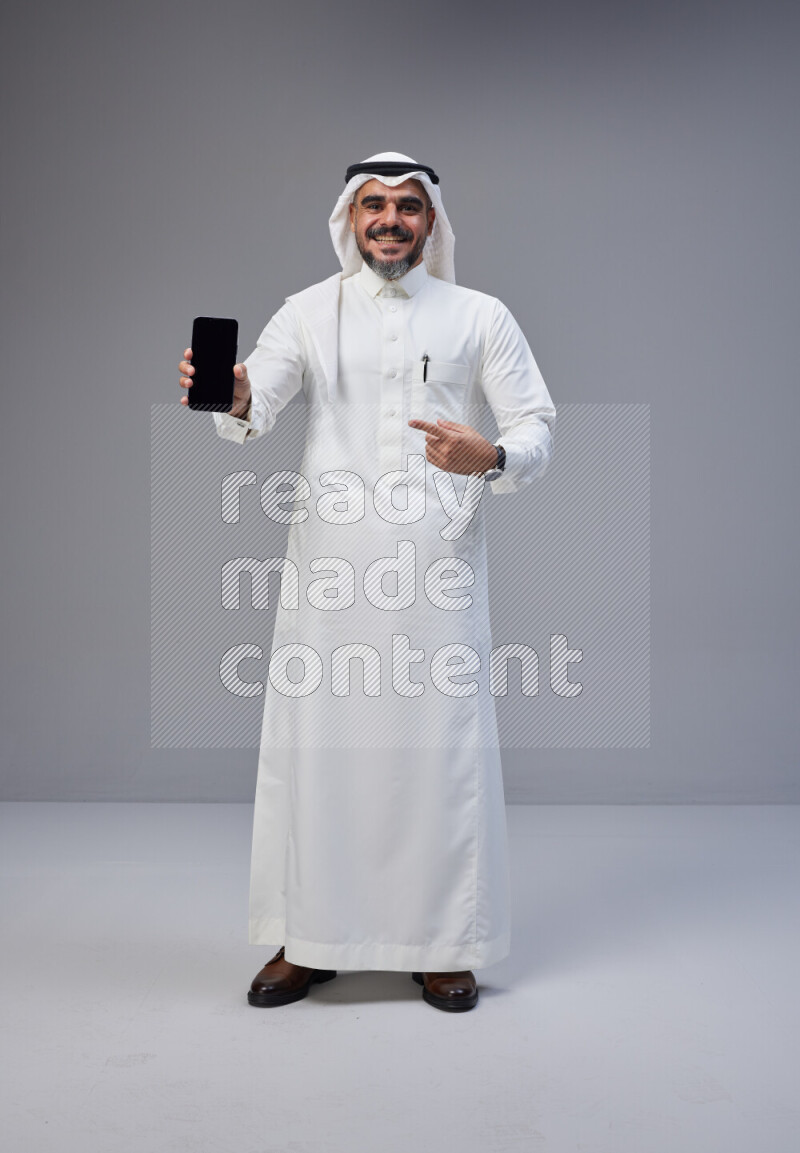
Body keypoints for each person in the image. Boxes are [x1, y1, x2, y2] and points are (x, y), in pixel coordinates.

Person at [177, 152, 556, 1012]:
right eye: (374, 205)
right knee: (321, 753)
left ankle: (442, 943)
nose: (390, 220)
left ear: (432, 223)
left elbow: (536, 422)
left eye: (408, 207)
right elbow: (257, 403)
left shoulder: (479, 315)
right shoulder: (308, 312)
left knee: (437, 755)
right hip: (333, 574)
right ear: (350, 218)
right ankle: (309, 941)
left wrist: (489, 455)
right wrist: (230, 394)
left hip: (436, 568)